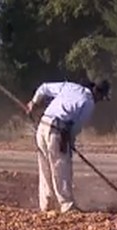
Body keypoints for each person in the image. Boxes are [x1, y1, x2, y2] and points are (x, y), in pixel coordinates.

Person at [24, 79, 111, 213]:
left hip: (42, 127)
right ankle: (67, 206)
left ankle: (47, 204)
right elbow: (75, 127)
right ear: (99, 94)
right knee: (61, 167)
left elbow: (43, 88)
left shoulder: (69, 86)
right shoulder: (89, 102)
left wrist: (33, 103)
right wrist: (69, 141)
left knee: (45, 167)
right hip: (57, 131)